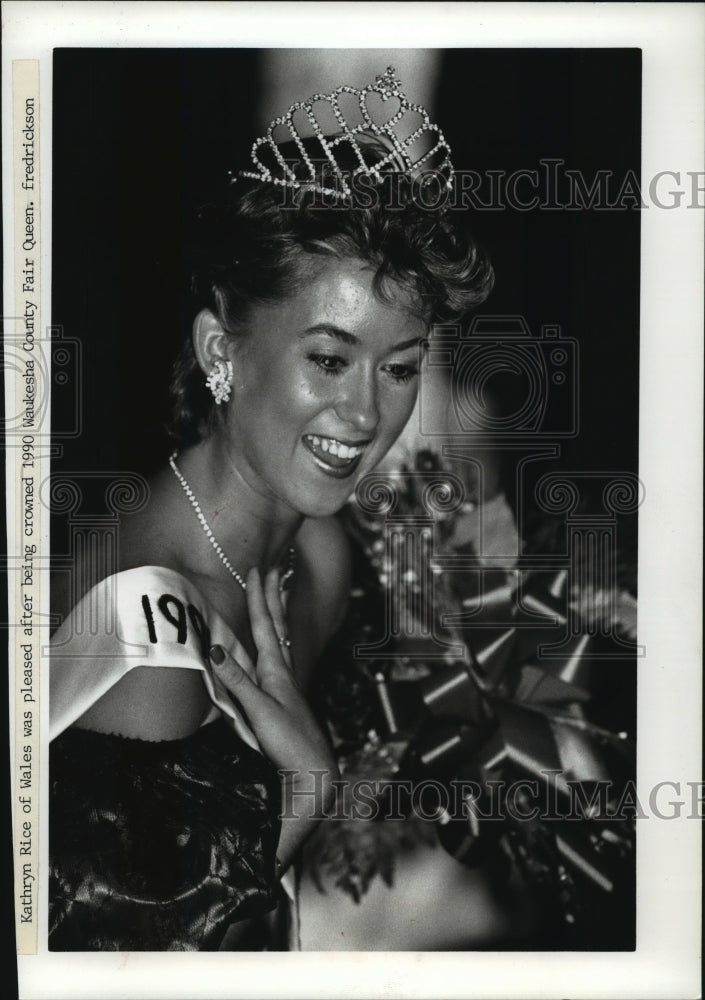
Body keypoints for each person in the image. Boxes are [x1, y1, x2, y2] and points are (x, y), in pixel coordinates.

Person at [48, 68, 494, 950]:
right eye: (328, 360)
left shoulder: (319, 547)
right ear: (222, 348)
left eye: (398, 367)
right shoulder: (150, 645)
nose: (366, 416)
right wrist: (303, 792)